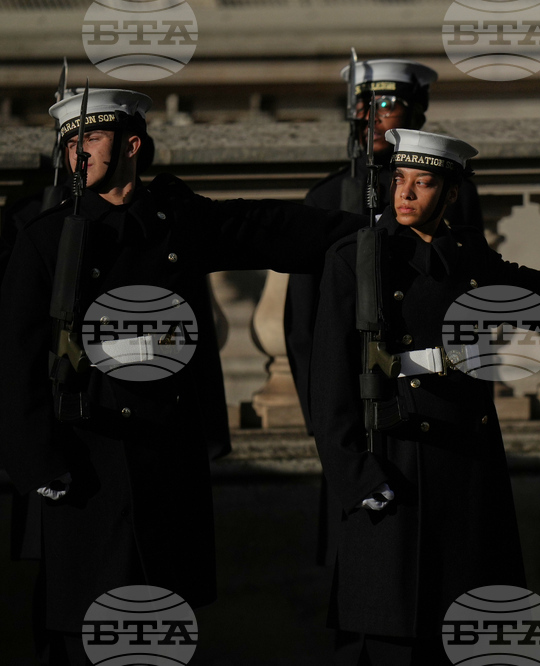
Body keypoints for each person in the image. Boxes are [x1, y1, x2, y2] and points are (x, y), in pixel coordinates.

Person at [0, 88, 365, 665]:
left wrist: (371, 232)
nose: (77, 153)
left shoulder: (174, 220)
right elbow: (15, 362)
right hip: (87, 463)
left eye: (90, 138)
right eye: (70, 142)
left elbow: (263, 226)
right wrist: (36, 461)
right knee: (83, 632)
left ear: (133, 144)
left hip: (164, 457)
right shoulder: (47, 238)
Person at [310, 128, 540, 665]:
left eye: (424, 183)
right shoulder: (360, 258)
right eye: (400, 180)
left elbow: (535, 289)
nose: (406, 194)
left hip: (467, 468)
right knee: (393, 635)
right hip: (395, 463)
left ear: (452, 194)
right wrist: (355, 475)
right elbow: (330, 383)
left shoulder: (467, 256)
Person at [285, 58, 483, 435]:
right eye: (363, 106)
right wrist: (324, 422)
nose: (371, 116)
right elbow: (303, 325)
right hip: (352, 397)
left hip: (438, 400)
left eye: (387, 105)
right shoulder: (326, 196)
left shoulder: (458, 194)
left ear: (416, 112)